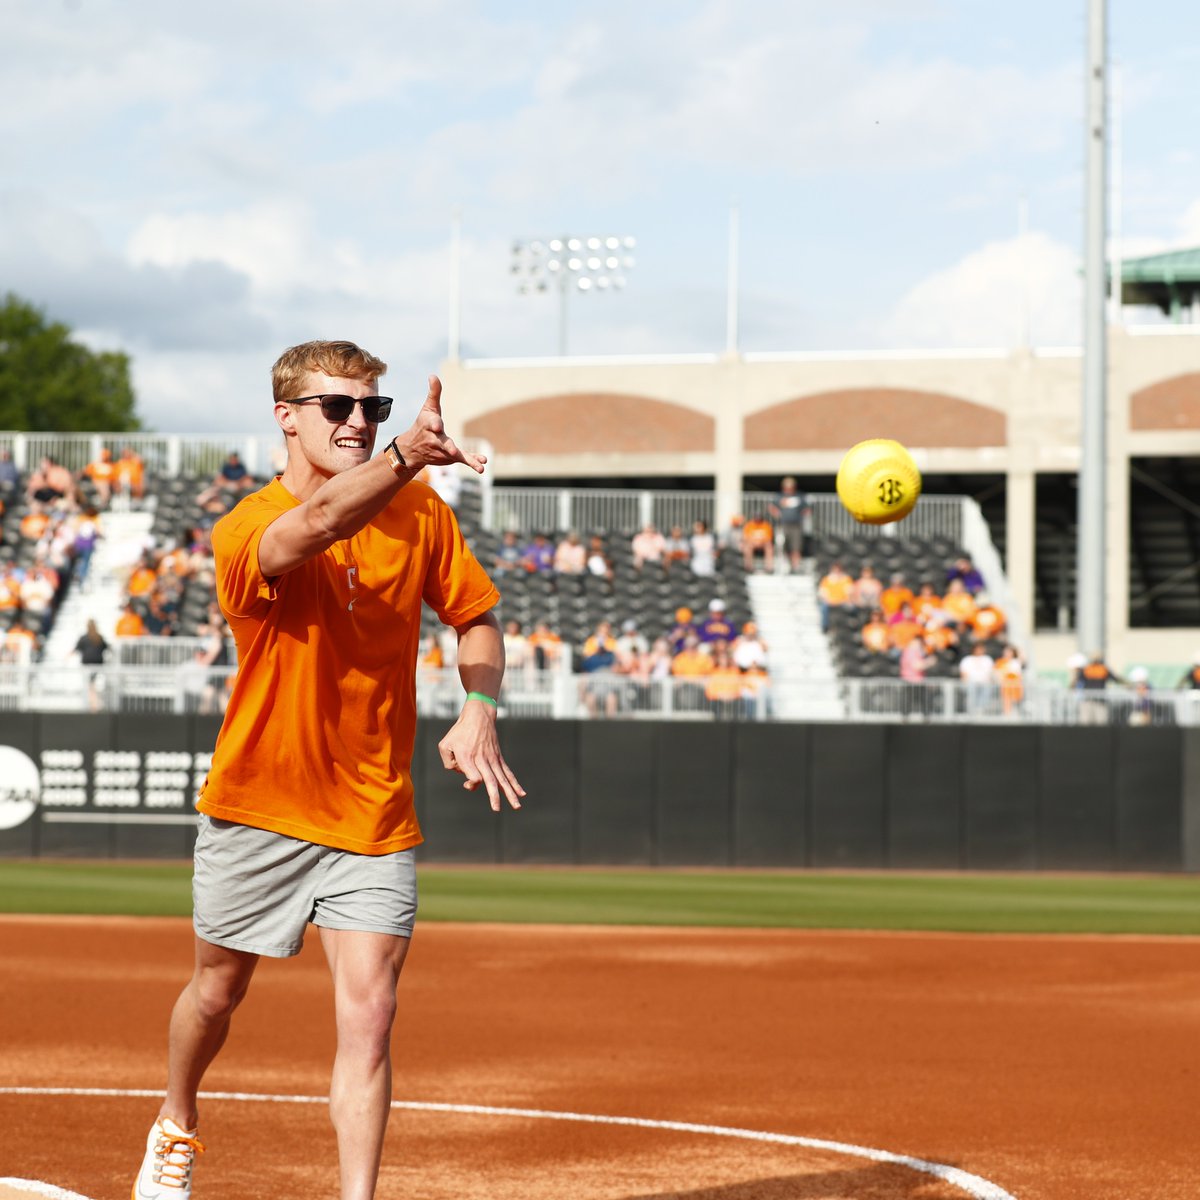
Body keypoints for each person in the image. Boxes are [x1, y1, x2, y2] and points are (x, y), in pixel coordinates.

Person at [131, 340, 523, 1200]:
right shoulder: (243, 524)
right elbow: (311, 530)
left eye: (372, 408)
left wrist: (480, 707)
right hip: (259, 804)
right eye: (338, 408)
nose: (358, 422)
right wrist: (401, 458)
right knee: (215, 993)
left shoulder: (422, 515)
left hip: (373, 812)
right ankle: (176, 1119)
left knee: (371, 1016)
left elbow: (477, 618)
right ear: (286, 417)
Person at [769, 476, 809, 573]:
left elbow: (807, 509)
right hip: (783, 525)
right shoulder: (779, 496)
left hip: (796, 526)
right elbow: (771, 507)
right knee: (784, 546)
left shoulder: (799, 496)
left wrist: (802, 514)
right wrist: (776, 513)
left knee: (796, 547)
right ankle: (787, 566)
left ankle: (795, 567)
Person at [72, 618, 110, 712]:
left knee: (91, 685)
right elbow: (107, 647)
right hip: (98, 665)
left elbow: (76, 648)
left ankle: (94, 705)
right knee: (92, 685)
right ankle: (93, 704)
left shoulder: (85, 637)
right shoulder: (99, 637)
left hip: (88, 666)